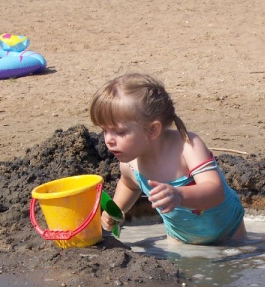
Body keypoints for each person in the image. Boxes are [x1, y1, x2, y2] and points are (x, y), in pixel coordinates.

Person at [90, 73, 246, 244]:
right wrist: (117, 209)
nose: (109, 140)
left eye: (119, 132)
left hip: (228, 229)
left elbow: (215, 191)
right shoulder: (130, 164)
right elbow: (128, 185)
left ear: (152, 130)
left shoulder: (187, 146)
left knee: (236, 260)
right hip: (179, 235)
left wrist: (180, 195)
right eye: (104, 130)